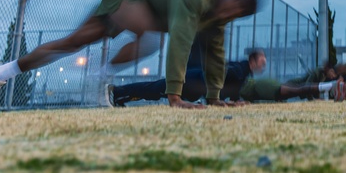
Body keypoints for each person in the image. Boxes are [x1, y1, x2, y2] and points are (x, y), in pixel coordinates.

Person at [0, 0, 258, 112]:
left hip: (150, 6)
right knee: (151, 39)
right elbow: (180, 40)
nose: (229, 11)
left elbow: (216, 54)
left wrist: (215, 97)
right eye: (232, 4)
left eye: (237, 13)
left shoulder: (219, 16)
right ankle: (100, 77)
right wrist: (175, 96)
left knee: (73, 43)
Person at [112, 47, 267, 105]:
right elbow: (220, 73)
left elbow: (231, 89)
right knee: (154, 89)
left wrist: (236, 100)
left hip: (194, 83)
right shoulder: (240, 70)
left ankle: (120, 96)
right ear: (252, 61)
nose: (264, 66)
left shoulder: (242, 72)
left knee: (154, 90)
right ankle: (117, 92)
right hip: (192, 81)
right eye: (262, 62)